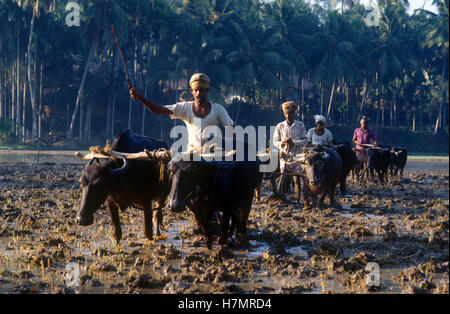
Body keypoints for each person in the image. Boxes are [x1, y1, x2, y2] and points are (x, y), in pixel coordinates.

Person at [129, 73, 234, 152]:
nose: (199, 93)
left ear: (207, 91)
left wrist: (221, 142)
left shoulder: (218, 109)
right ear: (191, 91)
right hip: (192, 153)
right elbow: (158, 109)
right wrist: (140, 98)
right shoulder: (185, 107)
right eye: (196, 90)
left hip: (213, 154)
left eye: (202, 90)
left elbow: (230, 127)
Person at [272, 101, 308, 201]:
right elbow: (275, 141)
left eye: (290, 113)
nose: (288, 115)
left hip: (298, 156)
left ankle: (299, 198)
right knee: (283, 177)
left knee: (297, 179)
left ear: (294, 113)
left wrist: (294, 143)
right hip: (284, 156)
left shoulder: (300, 125)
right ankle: (281, 197)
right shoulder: (280, 126)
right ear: (284, 114)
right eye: (286, 113)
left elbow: (305, 140)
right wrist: (283, 142)